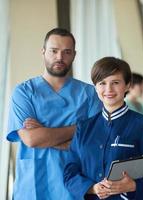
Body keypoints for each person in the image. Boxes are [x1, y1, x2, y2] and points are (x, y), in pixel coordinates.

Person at [6, 28, 102, 200]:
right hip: (33, 186)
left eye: (67, 52)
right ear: (43, 52)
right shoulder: (24, 92)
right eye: (54, 51)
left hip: (77, 184)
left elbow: (95, 142)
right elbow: (32, 139)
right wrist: (80, 129)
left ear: (74, 55)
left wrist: (46, 134)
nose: (60, 57)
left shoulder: (89, 94)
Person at [63, 57, 143, 200]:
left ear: (127, 85)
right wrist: (92, 188)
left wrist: (133, 186)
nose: (108, 89)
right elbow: (70, 172)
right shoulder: (84, 127)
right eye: (102, 83)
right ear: (95, 87)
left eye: (115, 83)